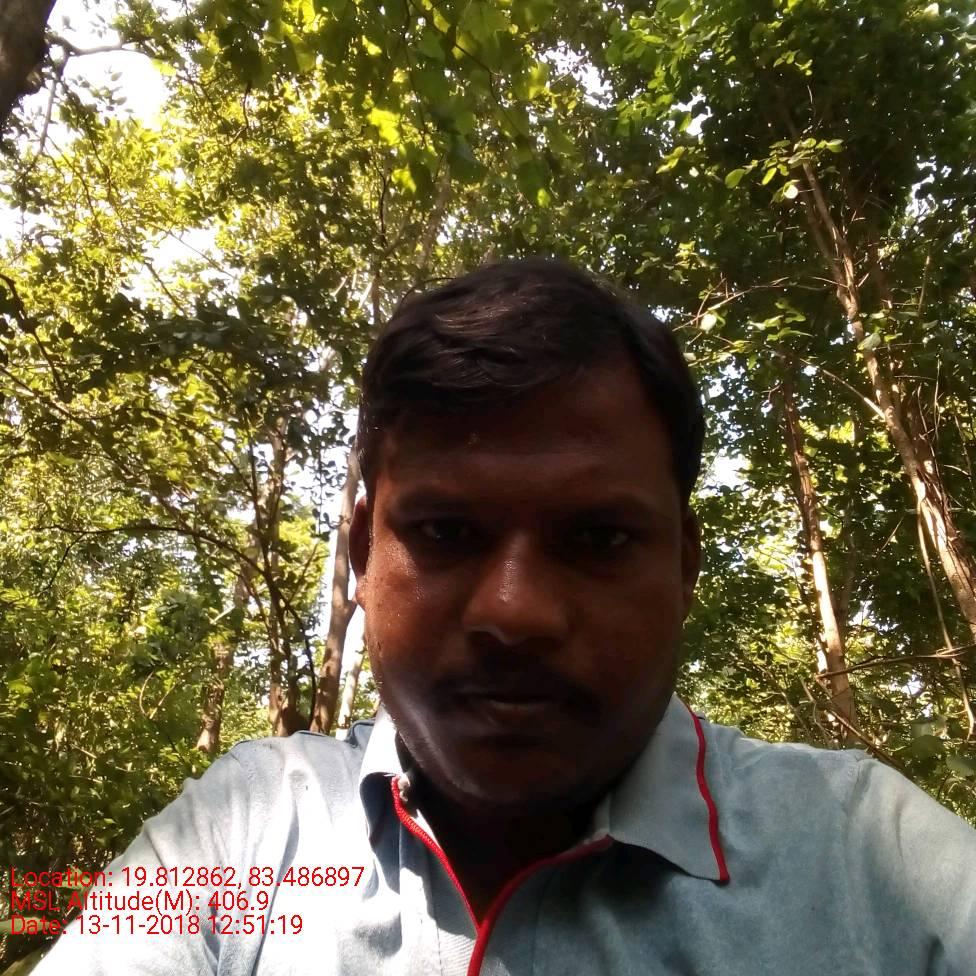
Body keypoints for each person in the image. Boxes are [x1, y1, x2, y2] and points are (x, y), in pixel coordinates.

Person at [34, 257, 976, 974]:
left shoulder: (873, 859)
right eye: (446, 532)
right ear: (362, 553)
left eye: (598, 538)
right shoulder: (244, 833)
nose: (514, 613)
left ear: (685, 564)